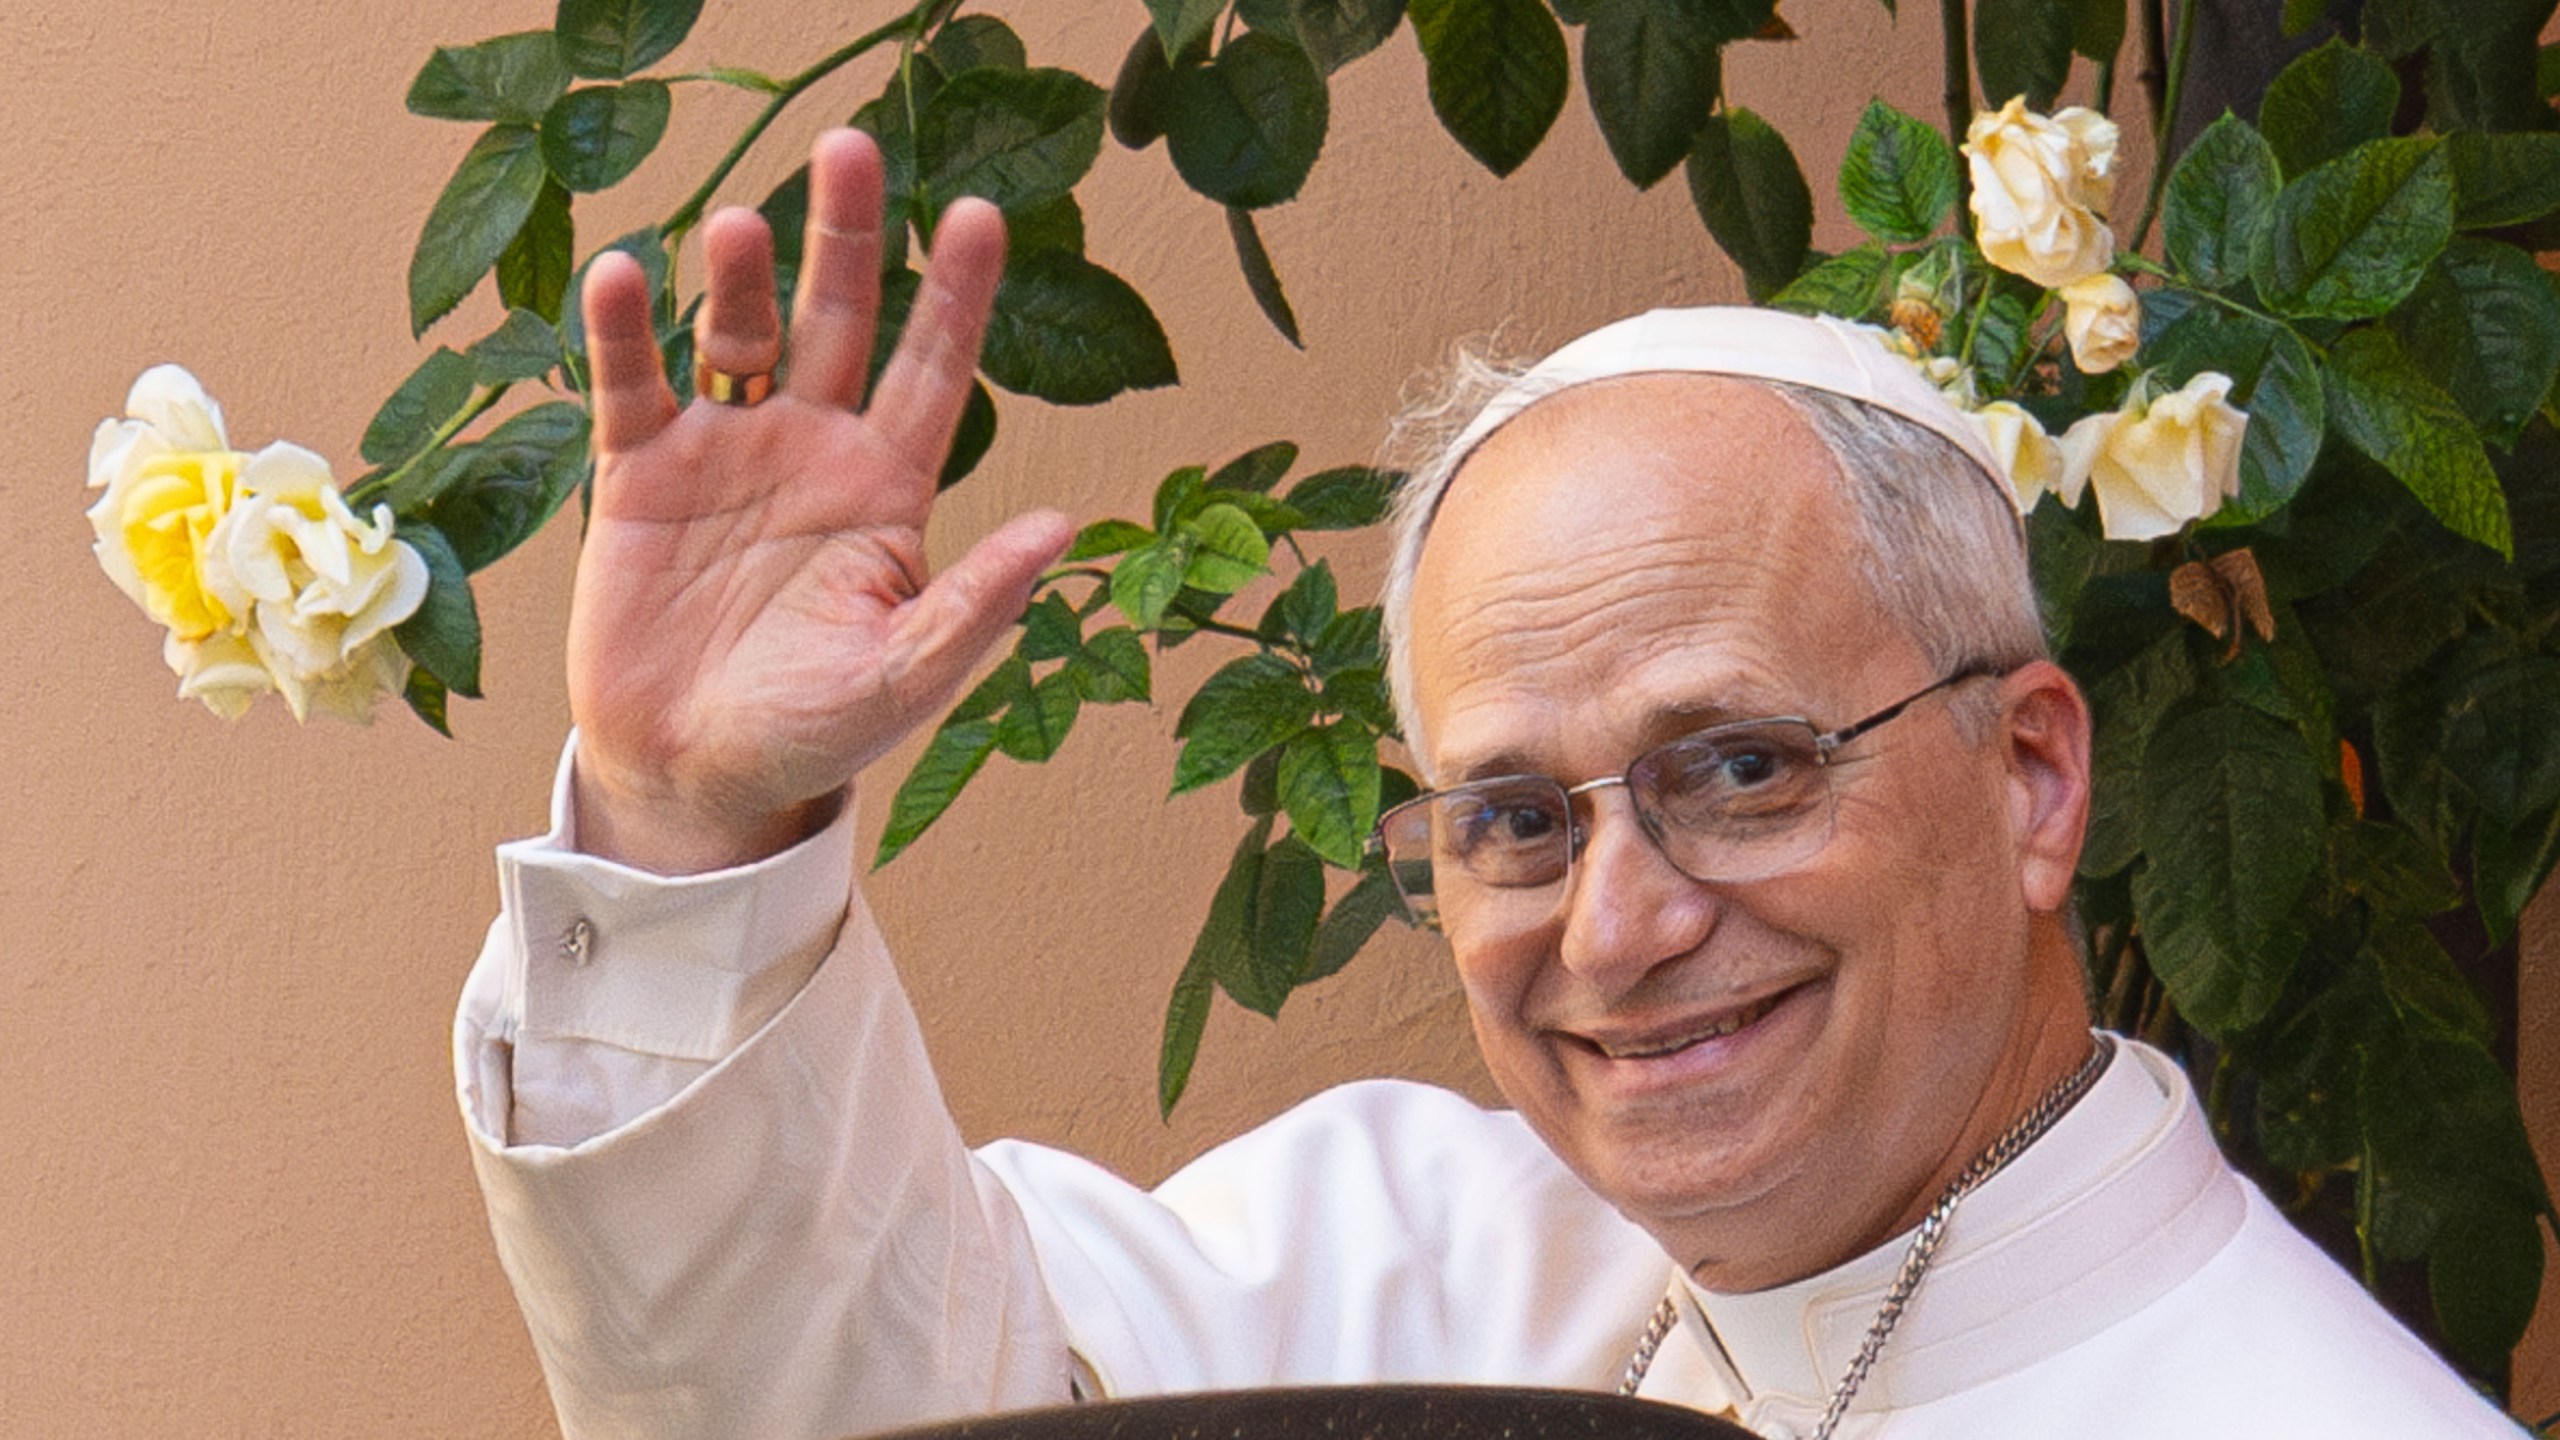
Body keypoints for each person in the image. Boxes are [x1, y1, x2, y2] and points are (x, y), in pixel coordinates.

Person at [454, 129, 2520, 1439]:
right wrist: (691, 824)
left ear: (2033, 780)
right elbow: (828, 1403)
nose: (1618, 927)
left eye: (1734, 768)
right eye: (1516, 816)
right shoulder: (1389, 1266)